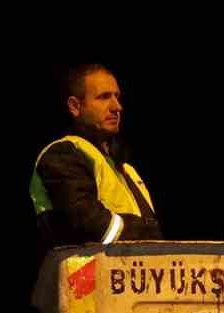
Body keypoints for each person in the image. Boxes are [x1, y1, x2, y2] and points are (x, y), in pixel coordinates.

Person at [30, 64, 162, 249]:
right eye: (104, 97)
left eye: (117, 97)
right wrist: (146, 231)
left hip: (123, 273)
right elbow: (90, 225)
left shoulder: (125, 168)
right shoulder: (61, 155)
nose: (117, 107)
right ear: (75, 106)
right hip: (81, 275)